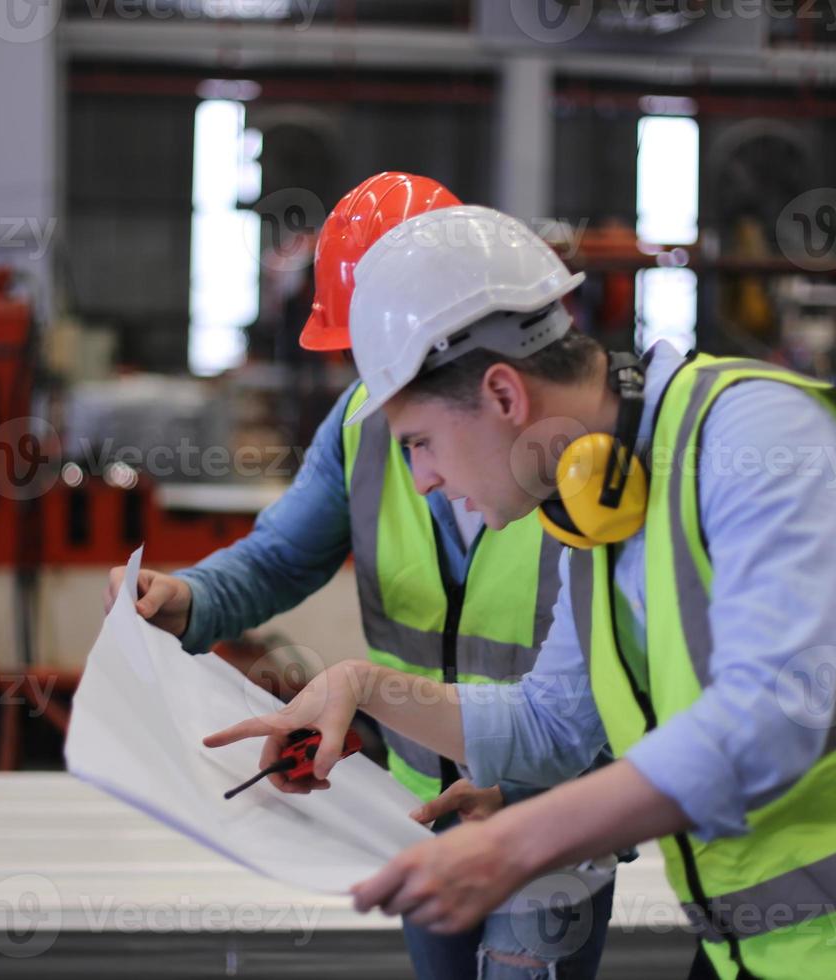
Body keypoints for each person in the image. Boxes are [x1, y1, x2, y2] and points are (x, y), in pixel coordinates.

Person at [205, 205, 836, 979]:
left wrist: (513, 847)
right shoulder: (597, 505)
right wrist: (362, 687)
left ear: (503, 393)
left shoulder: (761, 440)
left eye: (420, 442)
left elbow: (765, 727)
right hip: (760, 947)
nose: (420, 480)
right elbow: (553, 724)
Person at [104, 176, 617, 980]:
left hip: (549, 808)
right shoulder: (362, 428)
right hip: (416, 804)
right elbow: (279, 557)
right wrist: (190, 598)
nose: (375, 377)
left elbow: (607, 695)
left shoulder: (587, 475)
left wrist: (558, 802)